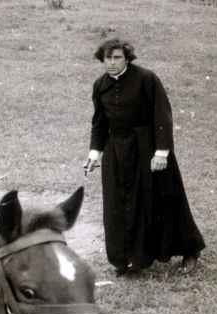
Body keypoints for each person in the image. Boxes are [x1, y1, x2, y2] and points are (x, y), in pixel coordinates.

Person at [84, 38, 205, 276]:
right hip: (117, 151)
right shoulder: (100, 85)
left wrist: (162, 152)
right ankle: (128, 259)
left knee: (165, 198)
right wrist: (94, 153)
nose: (112, 63)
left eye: (117, 57)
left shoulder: (146, 79)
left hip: (148, 148)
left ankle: (189, 250)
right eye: (107, 58)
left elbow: (162, 114)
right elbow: (99, 122)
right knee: (119, 204)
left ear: (127, 58)